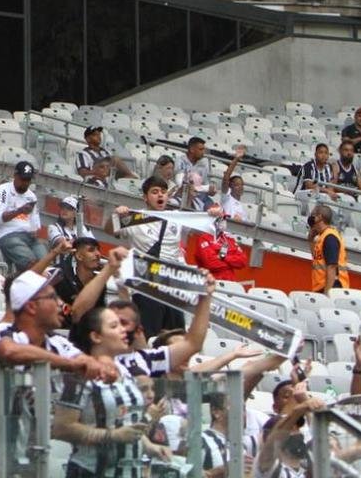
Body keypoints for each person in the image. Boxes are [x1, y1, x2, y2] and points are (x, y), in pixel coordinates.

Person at [54, 284, 215, 478]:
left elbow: (126, 426)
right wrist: (111, 436)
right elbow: (62, 428)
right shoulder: (81, 372)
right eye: (114, 326)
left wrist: (149, 447)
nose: (124, 331)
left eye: (123, 324)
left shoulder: (127, 371)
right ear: (96, 336)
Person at [0, 270, 116, 470]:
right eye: (52, 297)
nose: (60, 303)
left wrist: (100, 365)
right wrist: (67, 364)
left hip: (36, 461)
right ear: (31, 306)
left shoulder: (57, 342)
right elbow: (8, 351)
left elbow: (88, 363)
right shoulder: (3, 333)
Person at [113, 176, 186, 335]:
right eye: (154, 192)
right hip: (146, 288)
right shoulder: (134, 219)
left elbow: (206, 223)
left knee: (177, 338)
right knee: (147, 336)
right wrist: (117, 216)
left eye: (163, 192)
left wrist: (213, 214)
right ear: (145, 197)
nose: (160, 195)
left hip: (172, 290)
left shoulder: (177, 218)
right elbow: (110, 230)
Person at [0, 161, 46, 272]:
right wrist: (19, 211)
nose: (25, 183)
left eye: (28, 180)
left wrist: (34, 231)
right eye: (23, 179)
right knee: (31, 263)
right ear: (15, 176)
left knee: (46, 263)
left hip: (28, 237)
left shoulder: (31, 196)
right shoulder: (4, 190)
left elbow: (36, 225)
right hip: (7, 235)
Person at [191, 217, 247, 281]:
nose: (224, 222)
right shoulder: (204, 238)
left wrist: (223, 257)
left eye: (224, 220)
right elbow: (211, 263)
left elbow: (242, 261)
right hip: (211, 281)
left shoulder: (229, 240)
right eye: (220, 220)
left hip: (230, 282)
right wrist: (231, 264)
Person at [308, 204, 348, 293]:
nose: (311, 219)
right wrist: (311, 240)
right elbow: (317, 258)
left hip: (333, 287)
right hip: (322, 286)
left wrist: (327, 293)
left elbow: (332, 267)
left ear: (319, 217)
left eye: (313, 216)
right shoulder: (322, 236)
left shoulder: (330, 237)